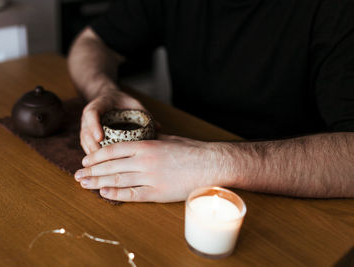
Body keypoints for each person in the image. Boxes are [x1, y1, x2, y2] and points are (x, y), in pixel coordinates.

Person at [68, 0, 354, 202]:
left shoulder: (336, 10)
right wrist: (103, 89)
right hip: (180, 172)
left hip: (293, 195)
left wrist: (215, 163)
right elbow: (92, 43)